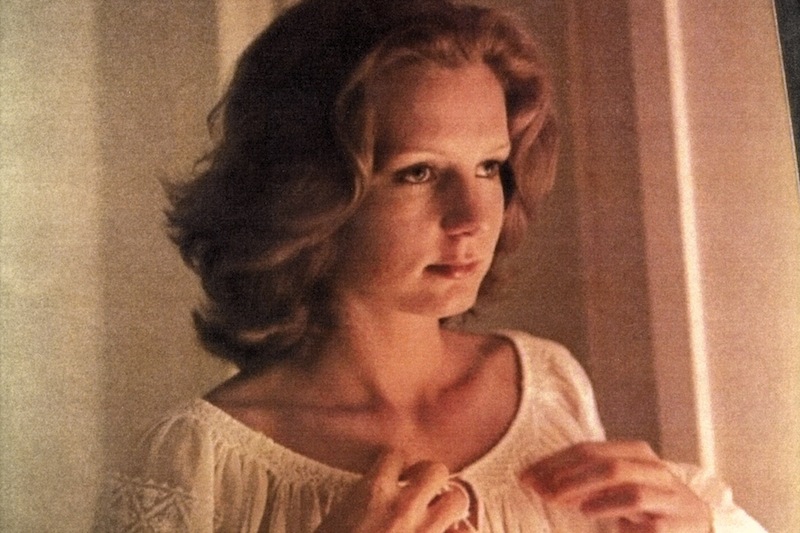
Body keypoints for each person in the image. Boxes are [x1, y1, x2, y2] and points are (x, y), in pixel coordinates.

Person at [93, 0, 767, 531]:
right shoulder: (196, 463)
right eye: (418, 172)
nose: (472, 215)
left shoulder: (548, 382)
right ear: (307, 191)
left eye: (489, 166)